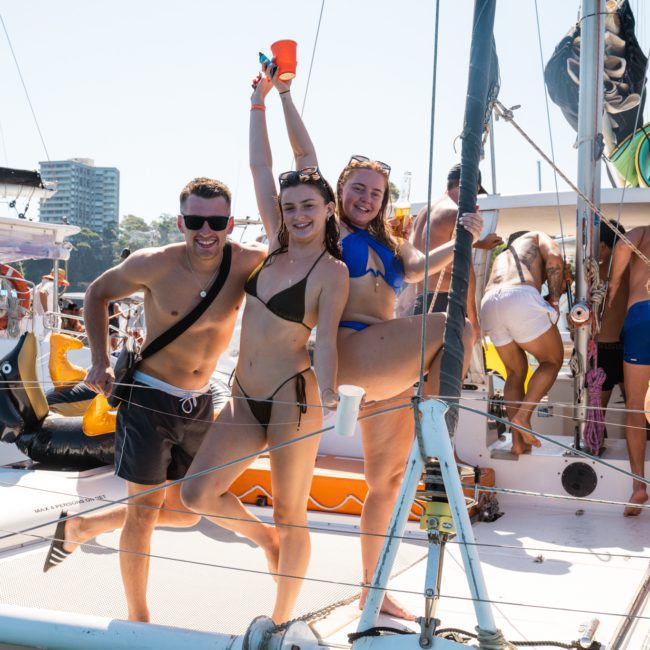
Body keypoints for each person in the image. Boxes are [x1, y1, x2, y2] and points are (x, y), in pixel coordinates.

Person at [266, 66, 483, 618]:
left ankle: (374, 590)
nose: (366, 197)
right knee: (445, 327)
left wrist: (466, 240)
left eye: (376, 192)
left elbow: (419, 271)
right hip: (352, 353)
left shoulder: (390, 242)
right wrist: (285, 95)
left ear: (386, 200)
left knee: (384, 482)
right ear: (339, 192)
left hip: (385, 366)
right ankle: (443, 430)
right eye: (357, 189)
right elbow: (303, 158)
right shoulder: (329, 229)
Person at [45, 178, 266, 623]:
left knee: (185, 515)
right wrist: (101, 361)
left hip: (200, 400)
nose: (206, 230)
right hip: (149, 399)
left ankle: (82, 527)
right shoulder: (154, 263)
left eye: (217, 221)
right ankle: (137, 622)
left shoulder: (250, 261)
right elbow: (97, 293)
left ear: (230, 223)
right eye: (196, 220)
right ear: (180, 221)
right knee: (144, 515)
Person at [180, 73, 348, 625]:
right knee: (198, 496)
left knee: (290, 511)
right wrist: (258, 102)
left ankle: (280, 621)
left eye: (308, 206)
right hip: (243, 392)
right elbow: (258, 167)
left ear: (327, 209)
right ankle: (264, 542)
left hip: (291, 400)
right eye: (291, 206)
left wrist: (328, 397)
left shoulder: (331, 272)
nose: (298, 215)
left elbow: (324, 341)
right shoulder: (275, 246)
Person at [480, 231, 565, 455]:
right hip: (519, 296)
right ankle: (523, 416)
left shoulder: (502, 257)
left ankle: (518, 443)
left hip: (489, 302)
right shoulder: (536, 237)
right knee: (552, 361)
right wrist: (555, 301)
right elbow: (555, 257)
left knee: (515, 373)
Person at [408, 164, 503, 321]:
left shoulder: (423, 213)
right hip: (446, 303)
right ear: (474, 187)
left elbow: (440, 246)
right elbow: (466, 271)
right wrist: (473, 317)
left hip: (421, 302)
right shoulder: (457, 213)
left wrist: (479, 243)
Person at [608, 224, 650, 516]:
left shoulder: (644, 233)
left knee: (635, 404)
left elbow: (622, 246)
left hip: (642, 313)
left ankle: (639, 486)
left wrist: (614, 285)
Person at [597, 224, 628, 411]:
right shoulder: (636, 268)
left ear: (601, 245)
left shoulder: (594, 273)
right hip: (631, 346)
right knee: (638, 410)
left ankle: (595, 442)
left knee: (597, 412)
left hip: (604, 348)